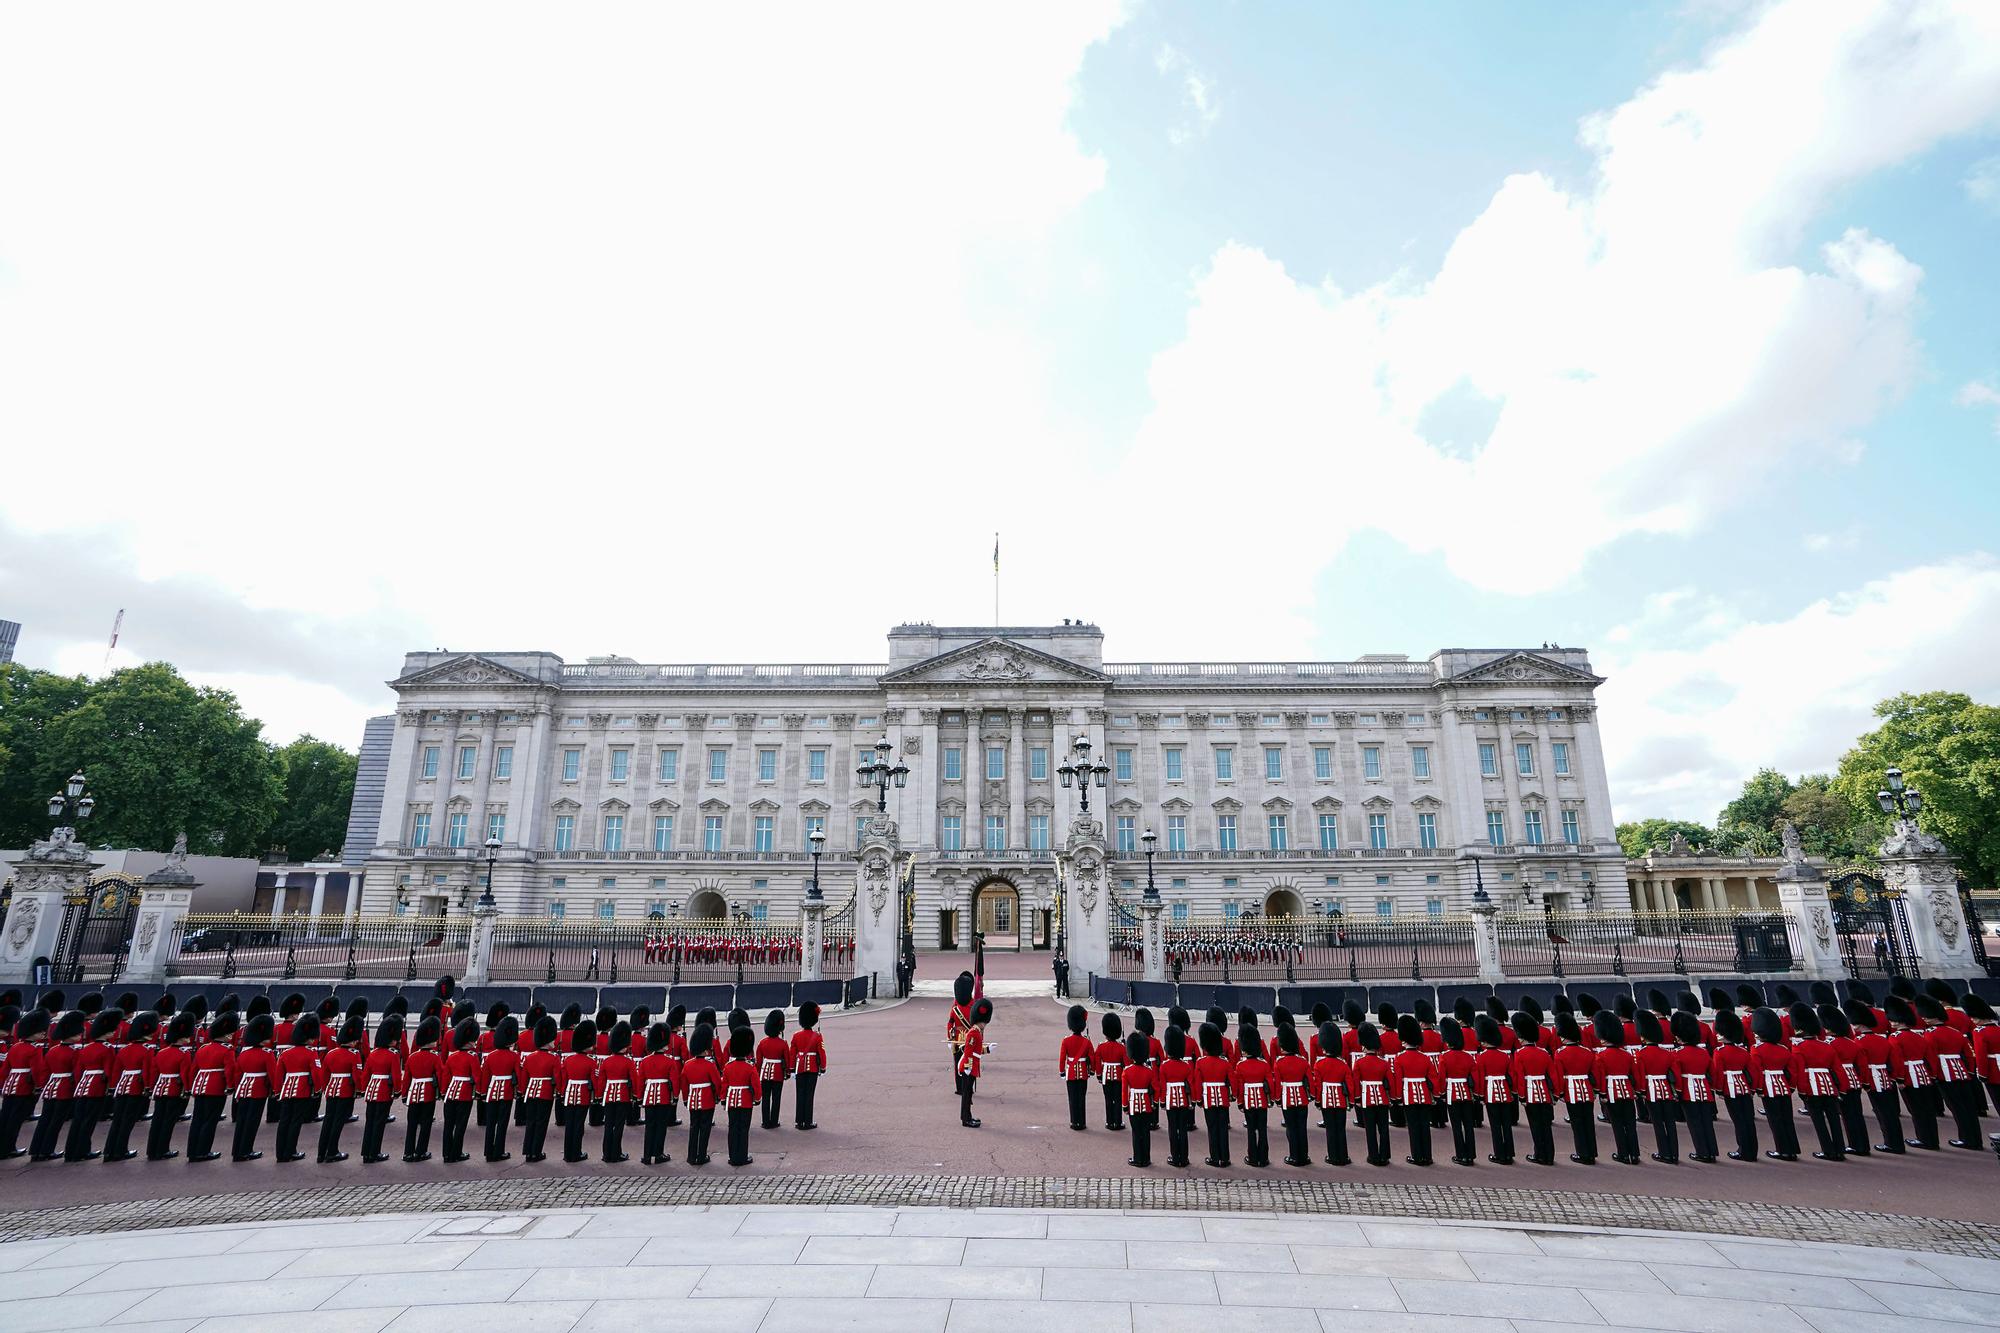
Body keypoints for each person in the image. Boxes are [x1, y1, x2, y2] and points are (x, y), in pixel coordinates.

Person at [1916, 994, 1983, 1148]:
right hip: (1962, 1072)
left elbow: (1931, 1057)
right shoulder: (1955, 1032)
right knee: (1968, 1107)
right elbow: (1969, 1054)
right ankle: (1975, 1138)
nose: (1924, 1018)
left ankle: (1967, 1139)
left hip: (1945, 1073)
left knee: (1957, 1107)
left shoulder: (1930, 1034)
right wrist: (1970, 1071)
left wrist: (1932, 1075)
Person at [1787, 1003, 1845, 1162]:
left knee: (1819, 1121)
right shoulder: (1826, 1046)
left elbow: (1801, 1072)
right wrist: (1841, 1087)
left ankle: (1827, 1150)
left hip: (1812, 1088)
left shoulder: (1799, 1048)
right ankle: (1839, 1149)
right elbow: (1838, 1070)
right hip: (1829, 1087)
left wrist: (1803, 1091)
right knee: (1834, 1119)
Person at [102, 1009, 159, 1163]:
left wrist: (113, 1087)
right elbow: (148, 1072)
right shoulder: (146, 1051)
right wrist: (148, 1088)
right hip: (136, 1087)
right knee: (127, 1122)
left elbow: (116, 1071)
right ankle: (121, 1150)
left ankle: (109, 1150)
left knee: (117, 1120)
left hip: (121, 1086)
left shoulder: (124, 1050)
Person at [1886, 995, 1941, 1151]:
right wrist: (1931, 1074)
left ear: (1896, 1020)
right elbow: (1930, 1057)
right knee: (1928, 1109)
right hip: (1923, 1074)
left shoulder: (1895, 1038)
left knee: (1916, 1110)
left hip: (1909, 1076)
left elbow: (1897, 1060)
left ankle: (1923, 1139)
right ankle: (1933, 1139)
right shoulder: (1919, 1036)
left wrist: (1900, 1079)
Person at [64, 1009, 120, 1161]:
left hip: (82, 1086)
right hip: (96, 1087)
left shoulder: (85, 1048)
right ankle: (83, 1150)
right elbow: (109, 1071)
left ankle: (71, 1151)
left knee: (78, 1120)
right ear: (107, 1032)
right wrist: (111, 1088)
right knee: (89, 1121)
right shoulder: (107, 1049)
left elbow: (78, 1071)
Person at [28, 1011, 83, 1162]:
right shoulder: (74, 1052)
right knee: (56, 1122)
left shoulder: (52, 1050)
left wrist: (43, 1086)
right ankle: (47, 1150)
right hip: (65, 1089)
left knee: (45, 1119)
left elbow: (45, 1072)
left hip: (50, 1088)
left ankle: (36, 1149)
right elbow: (76, 1073)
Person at [1749, 1007, 1801, 1161]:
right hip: (1784, 1087)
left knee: (1775, 1120)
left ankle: (1782, 1150)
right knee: (1787, 1119)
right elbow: (1792, 1071)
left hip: (1768, 1087)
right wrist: (1791, 1087)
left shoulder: (1757, 1049)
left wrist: (1757, 1088)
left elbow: (1756, 1071)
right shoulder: (1784, 1049)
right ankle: (1792, 1149)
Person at [272, 1013, 324, 1163]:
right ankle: (290, 1151)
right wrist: (317, 1089)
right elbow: (316, 1074)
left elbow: (278, 1075)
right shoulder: (311, 1053)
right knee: (296, 1121)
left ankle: (280, 1153)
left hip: (286, 1090)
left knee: (284, 1121)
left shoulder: (286, 1053)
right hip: (302, 1090)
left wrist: (277, 1091)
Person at [1669, 1011, 1718, 1163]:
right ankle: (1711, 1151)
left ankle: (1702, 1152)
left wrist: (1676, 1092)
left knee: (1694, 1122)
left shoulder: (1677, 1053)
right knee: (1706, 1121)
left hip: (1687, 1091)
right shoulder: (1703, 1052)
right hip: (1704, 1090)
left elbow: (1677, 1076)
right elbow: (1712, 1072)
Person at [1, 1009, 50, 1159]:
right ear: (32, 1032)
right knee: (15, 1121)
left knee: (5, 1118)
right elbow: (37, 1070)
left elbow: (5, 1069)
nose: (43, 1034)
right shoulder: (34, 1050)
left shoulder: (14, 1047)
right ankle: (9, 1148)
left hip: (10, 1086)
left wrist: (2, 1084)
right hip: (23, 1087)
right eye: (40, 1032)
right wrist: (40, 1086)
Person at [1633, 1009, 1680, 1164]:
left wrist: (1639, 1091)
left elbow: (1640, 1075)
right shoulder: (1668, 1053)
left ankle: (1664, 1153)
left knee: (1658, 1123)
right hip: (1666, 1090)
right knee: (1670, 1122)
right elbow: (1674, 1074)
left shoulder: (1641, 1054)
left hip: (1651, 1091)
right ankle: (1674, 1153)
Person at [1508, 1011, 1555, 1165]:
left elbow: (1520, 1078)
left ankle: (1539, 1154)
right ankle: (1549, 1155)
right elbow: (1552, 1075)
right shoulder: (1544, 1052)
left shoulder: (1520, 1054)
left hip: (1530, 1092)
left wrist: (1521, 1096)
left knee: (1535, 1125)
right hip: (1545, 1093)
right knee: (1546, 1125)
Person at [229, 1014, 277, 1163]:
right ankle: (246, 1151)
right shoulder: (267, 1054)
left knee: (242, 1121)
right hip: (258, 1090)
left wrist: (237, 1090)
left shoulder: (244, 1053)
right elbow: (273, 1075)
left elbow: (238, 1073)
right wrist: (276, 1090)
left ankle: (237, 1151)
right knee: (252, 1122)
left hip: (243, 1089)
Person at [317, 1017, 363, 1163]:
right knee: (338, 1122)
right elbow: (357, 1076)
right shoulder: (354, 1054)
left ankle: (321, 1153)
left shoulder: (331, 1053)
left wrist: (326, 1089)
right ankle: (332, 1151)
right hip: (345, 1091)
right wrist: (360, 1090)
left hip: (331, 1090)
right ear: (354, 1040)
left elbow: (324, 1074)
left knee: (328, 1121)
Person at [1553, 1012, 1598, 1165]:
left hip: (1571, 1092)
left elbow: (1559, 1076)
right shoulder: (1587, 1052)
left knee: (1577, 1124)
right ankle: (1592, 1152)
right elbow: (1594, 1074)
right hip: (1587, 1090)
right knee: (1588, 1122)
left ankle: (1582, 1153)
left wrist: (1558, 1093)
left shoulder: (1560, 1053)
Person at [360, 1014, 404, 1164]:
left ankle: (366, 1152)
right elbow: (396, 1076)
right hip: (384, 1092)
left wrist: (364, 1089)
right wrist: (398, 1091)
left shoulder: (373, 1053)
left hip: (371, 1091)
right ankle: (375, 1152)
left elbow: (365, 1075)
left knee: (370, 1122)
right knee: (379, 1123)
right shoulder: (393, 1055)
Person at [1473, 1015, 1516, 1165]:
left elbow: (1479, 1078)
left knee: (1496, 1125)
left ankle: (1499, 1153)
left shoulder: (1482, 1057)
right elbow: (1511, 1076)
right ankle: (1509, 1153)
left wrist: (1479, 1095)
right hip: (1505, 1093)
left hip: (1491, 1094)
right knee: (1506, 1124)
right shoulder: (1505, 1056)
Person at [438, 1017, 481, 1164]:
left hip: (450, 1093)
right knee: (460, 1125)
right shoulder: (472, 1057)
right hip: (464, 1095)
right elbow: (477, 1077)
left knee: (448, 1125)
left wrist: (443, 1092)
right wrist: (479, 1092)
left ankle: (446, 1153)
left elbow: (445, 1076)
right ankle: (456, 1153)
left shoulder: (452, 1057)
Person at [402, 1016, 445, 1163]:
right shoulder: (434, 1057)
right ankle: (421, 1151)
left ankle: (408, 1152)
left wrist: (404, 1094)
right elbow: (440, 1075)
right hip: (428, 1094)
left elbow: (406, 1078)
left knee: (412, 1124)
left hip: (413, 1093)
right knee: (425, 1124)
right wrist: (442, 1091)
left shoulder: (412, 1057)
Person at [1438, 1017, 1479, 1166]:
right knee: (1468, 1125)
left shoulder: (1445, 1057)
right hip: (1466, 1094)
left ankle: (1461, 1155)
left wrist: (1441, 1093)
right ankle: (1471, 1155)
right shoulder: (1468, 1057)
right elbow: (1474, 1078)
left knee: (1457, 1127)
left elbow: (1442, 1078)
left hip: (1452, 1094)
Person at [519, 1016, 560, 1163]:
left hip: (530, 1092)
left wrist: (523, 1091)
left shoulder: (529, 1058)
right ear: (548, 1040)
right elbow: (557, 1078)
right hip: (545, 1092)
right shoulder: (554, 1058)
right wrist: (559, 1091)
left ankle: (528, 1151)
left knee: (531, 1122)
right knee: (541, 1123)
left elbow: (524, 1078)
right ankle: (536, 1152)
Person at [1193, 1022, 1234, 1167]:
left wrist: (1197, 1098)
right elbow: (1232, 1081)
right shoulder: (1225, 1063)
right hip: (1222, 1098)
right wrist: (1233, 1095)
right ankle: (1225, 1158)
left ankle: (1215, 1157)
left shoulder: (1201, 1062)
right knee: (1223, 1127)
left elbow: (1198, 1083)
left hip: (1208, 1099)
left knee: (1212, 1127)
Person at [1232, 1025, 1273, 1168]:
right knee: (1262, 1129)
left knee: (1251, 1130)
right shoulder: (1264, 1064)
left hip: (1248, 1101)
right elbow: (1270, 1084)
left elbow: (1240, 1087)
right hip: (1262, 1101)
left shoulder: (1240, 1066)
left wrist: (1240, 1102)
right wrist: (1271, 1099)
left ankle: (1252, 1157)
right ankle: (1264, 1157)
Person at [1271, 1024, 1312, 1167]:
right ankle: (1304, 1156)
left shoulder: (1279, 1062)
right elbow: (1310, 1081)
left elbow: (1277, 1083)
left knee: (1291, 1128)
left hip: (1287, 1097)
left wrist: (1277, 1098)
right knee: (1302, 1127)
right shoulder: (1303, 1061)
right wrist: (1311, 1095)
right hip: (1302, 1097)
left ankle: (1294, 1156)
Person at [721, 1026, 762, 1164]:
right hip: (745, 1100)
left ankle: (732, 1156)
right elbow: (756, 1085)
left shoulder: (728, 1066)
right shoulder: (750, 1067)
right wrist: (757, 1098)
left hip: (731, 1100)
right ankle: (742, 1156)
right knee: (743, 1129)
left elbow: (724, 1085)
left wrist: (723, 1099)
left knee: (732, 1128)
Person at [558, 1018, 597, 1164]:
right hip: (583, 1096)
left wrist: (562, 1093)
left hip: (569, 1095)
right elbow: (594, 1081)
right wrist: (596, 1096)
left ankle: (568, 1154)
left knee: (569, 1125)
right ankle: (576, 1153)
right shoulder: (591, 1061)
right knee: (578, 1126)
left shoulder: (568, 1061)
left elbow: (564, 1079)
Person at [681, 1024, 721, 1166]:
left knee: (694, 1127)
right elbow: (717, 1083)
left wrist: (686, 1099)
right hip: (707, 1100)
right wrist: (718, 1097)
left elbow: (684, 1085)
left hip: (693, 1100)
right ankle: (701, 1155)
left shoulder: (687, 1064)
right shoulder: (710, 1065)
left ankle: (691, 1156)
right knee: (705, 1128)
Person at [638, 1022, 677, 1164]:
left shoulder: (645, 1061)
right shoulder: (670, 1061)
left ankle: (647, 1155)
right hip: (664, 1097)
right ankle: (658, 1154)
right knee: (661, 1126)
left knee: (649, 1126)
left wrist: (640, 1097)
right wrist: (675, 1097)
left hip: (648, 1097)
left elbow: (640, 1082)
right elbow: (674, 1082)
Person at [1158, 1025, 1195, 1169]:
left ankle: (1175, 1156)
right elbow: (1190, 1085)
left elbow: (1162, 1086)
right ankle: (1184, 1157)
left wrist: (1161, 1101)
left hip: (1170, 1101)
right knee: (1183, 1128)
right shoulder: (1186, 1066)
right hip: (1184, 1101)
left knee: (1173, 1129)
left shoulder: (1164, 1066)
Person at [1057, 1005, 1096, 1132]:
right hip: (1083, 1073)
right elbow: (1092, 1057)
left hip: (1071, 1074)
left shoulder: (1066, 1041)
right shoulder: (1087, 1041)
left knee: (1073, 1098)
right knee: (1081, 1098)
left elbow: (1062, 1058)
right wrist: (1091, 1071)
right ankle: (1082, 1122)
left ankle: (1075, 1122)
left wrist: (1062, 1072)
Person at [790, 1002, 826, 1131]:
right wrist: (823, 1067)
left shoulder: (796, 1036)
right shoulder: (817, 1036)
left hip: (799, 1068)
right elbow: (821, 1053)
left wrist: (792, 1068)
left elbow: (792, 1054)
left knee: (800, 1094)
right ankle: (808, 1121)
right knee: (809, 1094)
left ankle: (799, 1121)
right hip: (812, 1069)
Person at [1121, 1031, 1155, 1167]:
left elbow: (1124, 1091)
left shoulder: (1127, 1071)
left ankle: (1137, 1158)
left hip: (1133, 1105)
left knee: (1136, 1132)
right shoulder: (1149, 1071)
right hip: (1146, 1104)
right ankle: (1146, 1158)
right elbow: (1155, 1088)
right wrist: (1154, 1103)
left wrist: (1125, 1105)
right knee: (1145, 1132)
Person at [755, 1010, 790, 1131]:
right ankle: (774, 1121)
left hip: (764, 1073)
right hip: (778, 1074)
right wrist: (788, 1073)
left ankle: (765, 1121)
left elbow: (759, 1062)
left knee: (765, 1098)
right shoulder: (783, 1044)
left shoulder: (762, 1043)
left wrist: (757, 1073)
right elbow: (787, 1060)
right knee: (776, 1098)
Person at [1966, 994, 2000, 1118]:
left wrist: (1982, 1074)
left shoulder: (1979, 1032)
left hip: (1993, 1071)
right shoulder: (1998, 1028)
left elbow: (1981, 1055)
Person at [1095, 1012, 1126, 1132]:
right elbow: (1127, 1063)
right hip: (1118, 1076)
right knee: (1118, 1099)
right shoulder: (1122, 1047)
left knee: (1108, 1099)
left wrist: (1098, 1075)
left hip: (1105, 1076)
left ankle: (1109, 1121)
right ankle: (1117, 1122)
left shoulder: (1101, 1046)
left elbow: (1097, 1061)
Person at [947, 972, 975, 1098]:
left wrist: (950, 1038)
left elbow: (950, 1023)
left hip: (959, 1038)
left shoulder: (955, 1007)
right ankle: (966, 1087)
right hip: (970, 1038)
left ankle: (961, 1087)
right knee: (969, 1062)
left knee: (959, 1063)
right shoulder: (974, 1005)